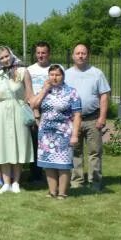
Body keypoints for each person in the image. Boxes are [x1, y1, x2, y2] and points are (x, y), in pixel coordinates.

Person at [0, 45, 34, 194]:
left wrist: (33, 113)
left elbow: (29, 94)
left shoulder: (23, 71)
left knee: (18, 145)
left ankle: (16, 182)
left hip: (18, 110)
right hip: (1, 112)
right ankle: (6, 183)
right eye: (1, 58)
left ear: (11, 55)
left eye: (7, 56)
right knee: (4, 146)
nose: (5, 59)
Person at [29, 65, 82, 199]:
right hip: (46, 133)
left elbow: (77, 115)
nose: (54, 77)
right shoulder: (45, 90)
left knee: (63, 164)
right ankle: (52, 191)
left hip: (63, 133)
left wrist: (75, 135)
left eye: (57, 74)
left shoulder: (71, 92)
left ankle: (62, 192)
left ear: (63, 76)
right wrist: (44, 90)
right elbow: (33, 105)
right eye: (51, 74)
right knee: (48, 164)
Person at [64, 43, 111, 191]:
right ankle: (77, 181)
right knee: (75, 152)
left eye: (83, 53)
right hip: (73, 120)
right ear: (73, 56)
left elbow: (104, 96)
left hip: (93, 119)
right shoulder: (67, 74)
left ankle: (95, 182)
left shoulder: (97, 73)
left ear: (88, 55)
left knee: (95, 152)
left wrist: (102, 117)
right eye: (77, 53)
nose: (80, 56)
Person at [26, 41, 54, 183]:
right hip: (33, 108)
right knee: (35, 142)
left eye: (44, 53)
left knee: (51, 142)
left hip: (52, 110)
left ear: (49, 54)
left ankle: (52, 173)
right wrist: (35, 110)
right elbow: (27, 92)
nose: (41, 55)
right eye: (38, 53)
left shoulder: (55, 69)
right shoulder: (29, 70)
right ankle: (36, 174)